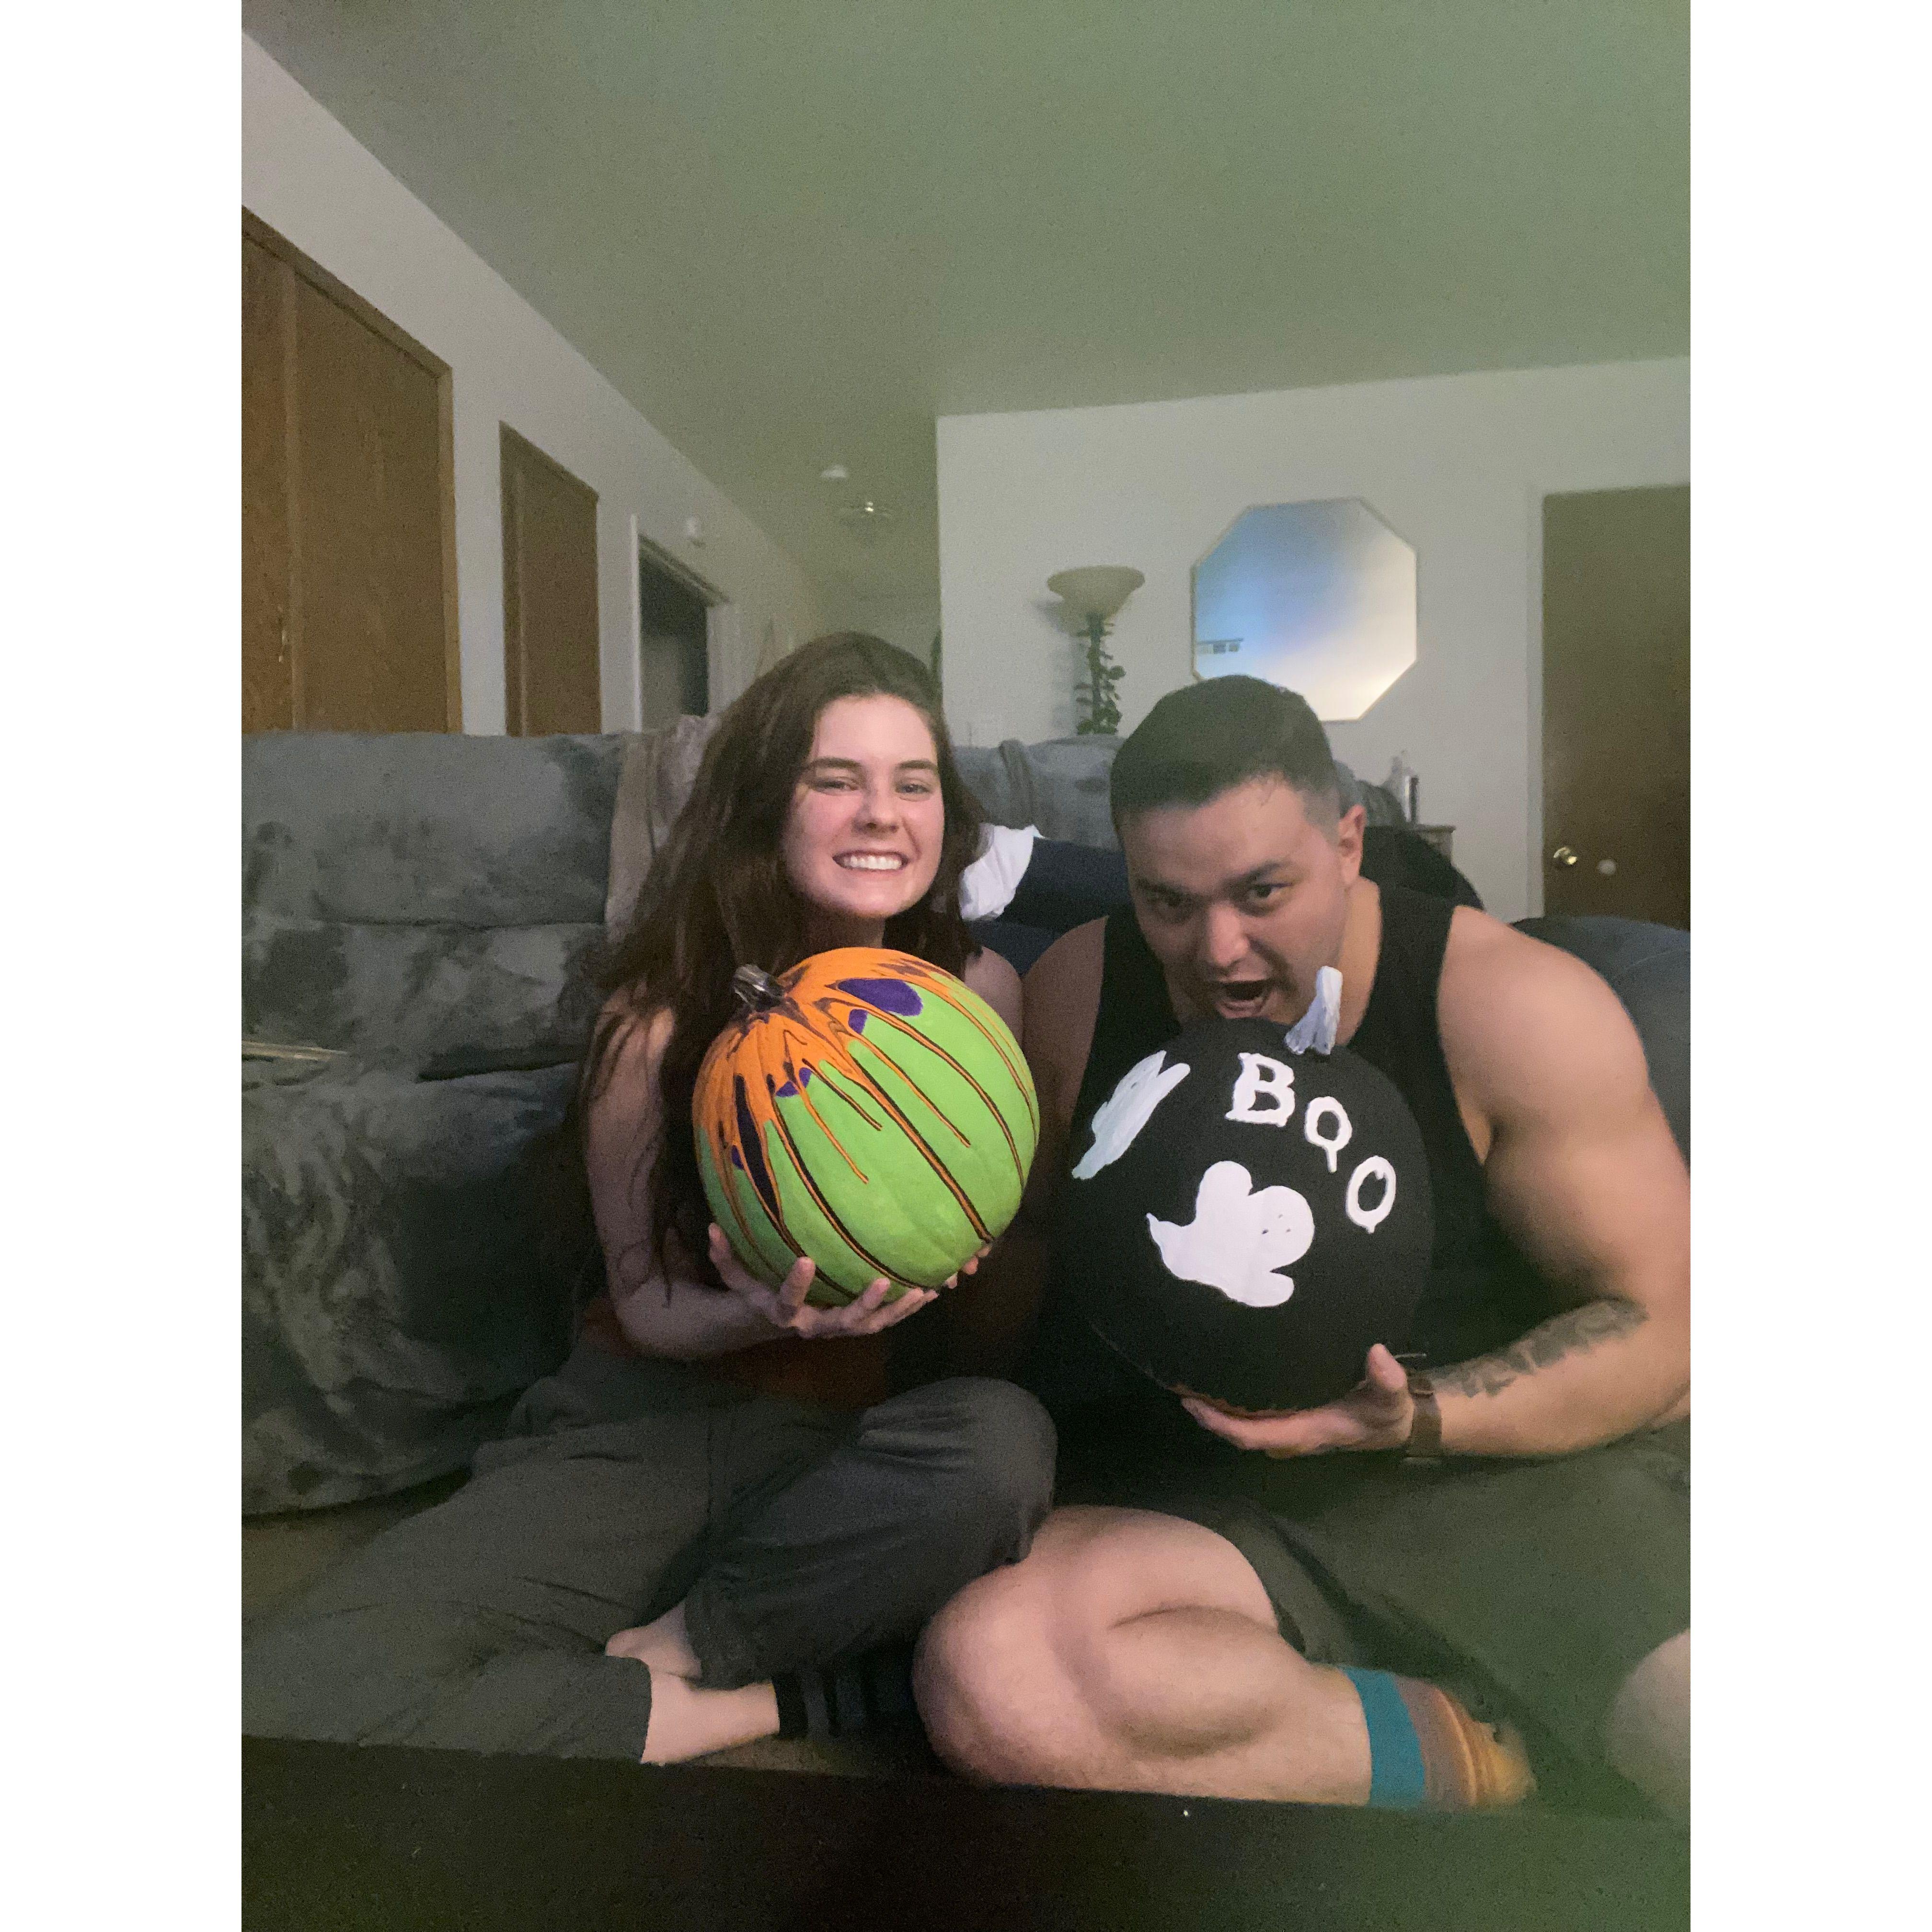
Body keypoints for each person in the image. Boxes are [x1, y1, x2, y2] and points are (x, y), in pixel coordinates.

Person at [244, 633, 1055, 1765]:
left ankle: (680, 1648)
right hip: (640, 1425)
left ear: (947, 818)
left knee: (999, 1451)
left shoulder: (978, 994)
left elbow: (993, 1247)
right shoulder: (658, 1021)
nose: (881, 813)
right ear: (767, 805)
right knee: (286, 1704)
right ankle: (774, 1697)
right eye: (836, 780)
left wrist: (975, 1262)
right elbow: (645, 1302)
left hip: (844, 1450)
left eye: (912, 784)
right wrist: (765, 1314)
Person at [913, 676, 1689, 1817]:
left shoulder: (1510, 1007)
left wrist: (1415, 1419)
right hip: (1225, 1502)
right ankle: (1482, 1746)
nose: (1217, 951)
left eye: (1262, 892)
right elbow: (1018, 1271)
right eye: (1169, 902)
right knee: (995, 1680)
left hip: (1515, 1483)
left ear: (1349, 844)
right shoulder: (1080, 987)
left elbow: (1668, 1330)